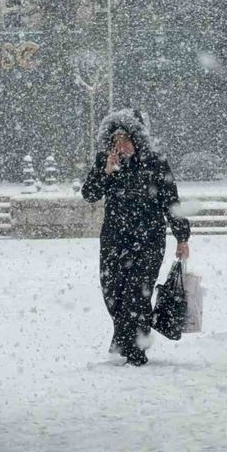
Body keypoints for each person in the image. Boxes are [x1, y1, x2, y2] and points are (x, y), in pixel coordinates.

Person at [82, 109, 190, 366]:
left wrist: (182, 237)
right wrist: (105, 172)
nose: (120, 144)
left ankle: (136, 349)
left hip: (148, 240)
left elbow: (171, 202)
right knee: (113, 294)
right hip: (114, 239)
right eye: (116, 138)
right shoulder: (106, 161)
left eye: (125, 138)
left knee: (137, 295)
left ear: (137, 139)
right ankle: (129, 339)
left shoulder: (155, 163)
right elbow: (89, 194)